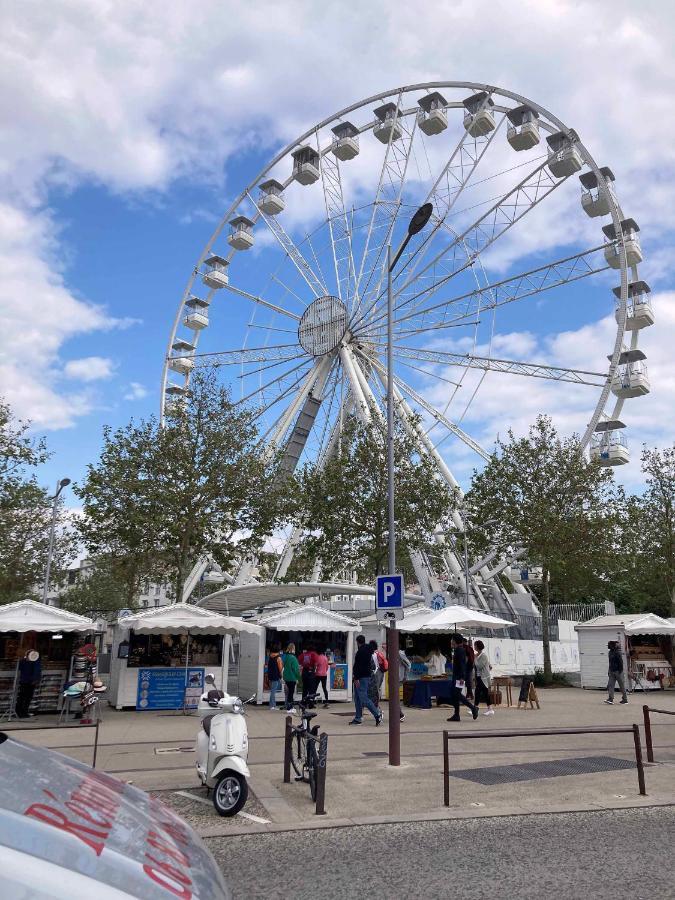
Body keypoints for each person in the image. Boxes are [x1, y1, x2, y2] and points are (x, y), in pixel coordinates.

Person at [350, 635, 382, 726]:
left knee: (363, 698)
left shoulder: (360, 652)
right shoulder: (369, 650)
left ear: (357, 642)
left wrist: (356, 678)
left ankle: (377, 714)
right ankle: (358, 717)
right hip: (366, 676)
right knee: (357, 698)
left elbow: (358, 666)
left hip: (361, 677)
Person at [447, 633, 478, 722]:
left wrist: (462, 677)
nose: (451, 641)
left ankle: (473, 708)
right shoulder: (458, 650)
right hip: (457, 676)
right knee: (455, 695)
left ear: (455, 641)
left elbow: (462, 665)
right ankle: (456, 715)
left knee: (456, 694)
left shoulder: (460, 651)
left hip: (459, 677)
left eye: (452, 639)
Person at [16, 649, 42, 718]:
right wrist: (36, 680)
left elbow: (19, 668)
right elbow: (37, 671)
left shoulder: (23, 661)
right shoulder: (35, 661)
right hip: (30, 681)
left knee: (21, 697)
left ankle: (18, 711)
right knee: (27, 697)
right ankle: (23, 712)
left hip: (23, 681)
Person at [473, 640, 494, 716]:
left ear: (478, 646)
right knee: (485, 693)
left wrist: (475, 658)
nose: (474, 646)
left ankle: (475, 708)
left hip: (483, 677)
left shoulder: (483, 655)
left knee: (477, 691)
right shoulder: (478, 655)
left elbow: (479, 666)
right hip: (479, 676)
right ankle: (490, 708)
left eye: (475, 645)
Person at [605, 640, 628, 704]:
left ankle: (625, 699)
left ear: (612, 646)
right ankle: (610, 699)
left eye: (609, 645)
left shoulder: (618, 652)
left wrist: (620, 671)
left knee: (622, 686)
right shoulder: (610, 652)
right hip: (612, 671)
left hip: (618, 671)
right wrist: (609, 670)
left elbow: (621, 662)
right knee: (610, 685)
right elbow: (610, 662)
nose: (608, 647)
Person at [283, 643, 300, 713]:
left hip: (286, 677)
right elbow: (295, 669)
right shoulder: (293, 658)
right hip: (292, 677)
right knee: (291, 693)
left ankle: (289, 706)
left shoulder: (285, 657)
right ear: (293, 649)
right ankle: (290, 708)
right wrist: (298, 677)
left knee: (288, 692)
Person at [267, 643, 283, 710]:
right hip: (276, 676)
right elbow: (280, 668)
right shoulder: (278, 658)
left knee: (272, 690)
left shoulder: (270, 656)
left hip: (270, 675)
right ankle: (272, 706)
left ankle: (273, 705)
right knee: (273, 691)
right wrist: (281, 675)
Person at [398, 648, 411, 722]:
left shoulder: (400, 653)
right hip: (394, 677)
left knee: (395, 697)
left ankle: (400, 714)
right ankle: (398, 714)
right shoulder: (391, 652)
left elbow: (408, 664)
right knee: (394, 697)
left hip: (398, 677)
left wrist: (405, 676)